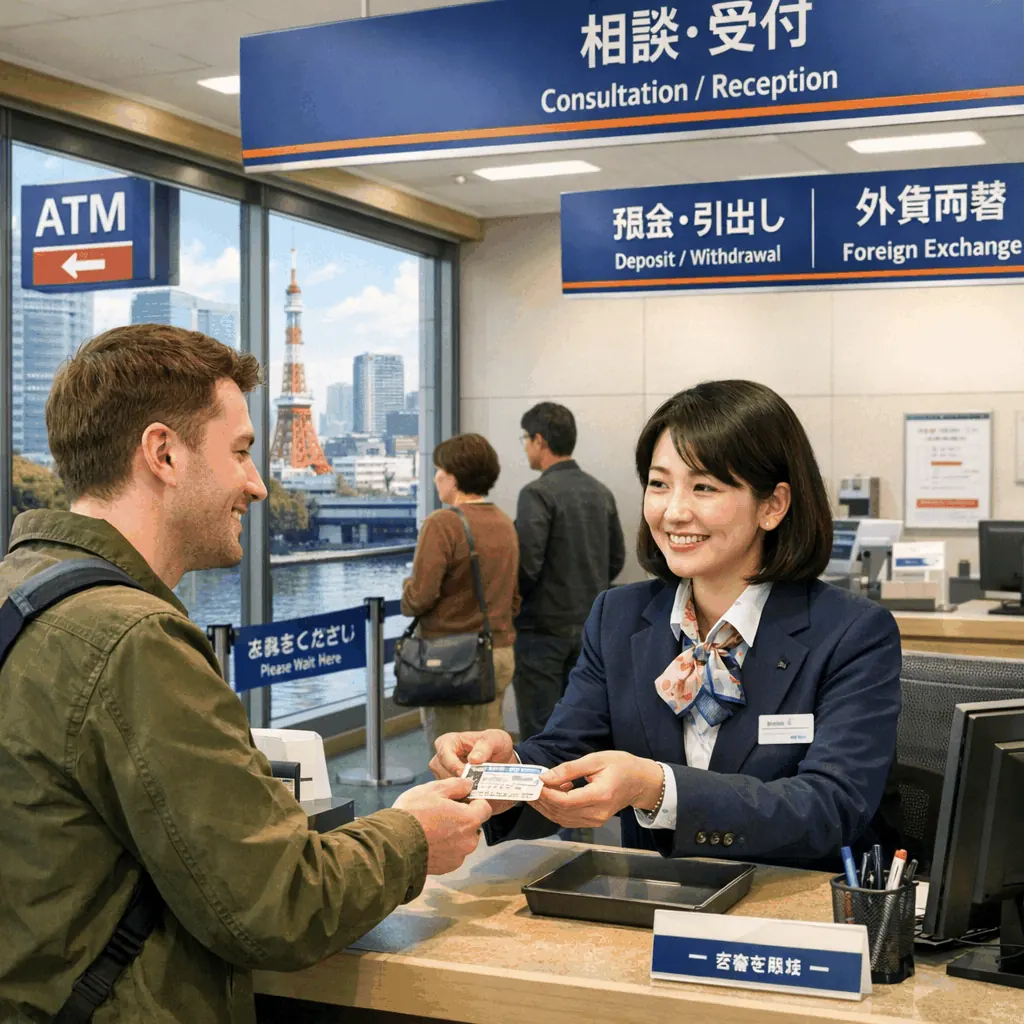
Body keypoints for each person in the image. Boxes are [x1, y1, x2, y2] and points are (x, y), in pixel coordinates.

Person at [0, 325, 491, 1022]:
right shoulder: (137, 641)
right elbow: (276, 906)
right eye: (239, 453)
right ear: (163, 453)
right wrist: (412, 836)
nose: (257, 484)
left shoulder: (19, 592)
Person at [430, 380, 901, 870]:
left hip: (791, 914)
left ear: (773, 505)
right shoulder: (618, 618)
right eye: (659, 484)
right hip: (654, 905)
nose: (673, 512)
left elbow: (831, 805)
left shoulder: (852, 633)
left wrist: (657, 787)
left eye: (704, 487)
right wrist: (509, 772)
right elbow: (566, 752)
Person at [402, 433, 520, 750]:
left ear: (454, 477)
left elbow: (420, 597)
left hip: (451, 660)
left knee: (452, 757)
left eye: (439, 470)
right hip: (498, 653)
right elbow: (514, 597)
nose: (436, 477)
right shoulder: (504, 521)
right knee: (489, 755)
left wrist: (406, 589)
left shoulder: (442, 523)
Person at [514, 402, 625, 740]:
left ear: (539, 440)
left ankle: (538, 794)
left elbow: (527, 565)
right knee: (580, 729)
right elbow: (616, 558)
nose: (525, 447)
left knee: (540, 730)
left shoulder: (536, 493)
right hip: (590, 627)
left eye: (525, 439)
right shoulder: (599, 491)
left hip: (541, 631)